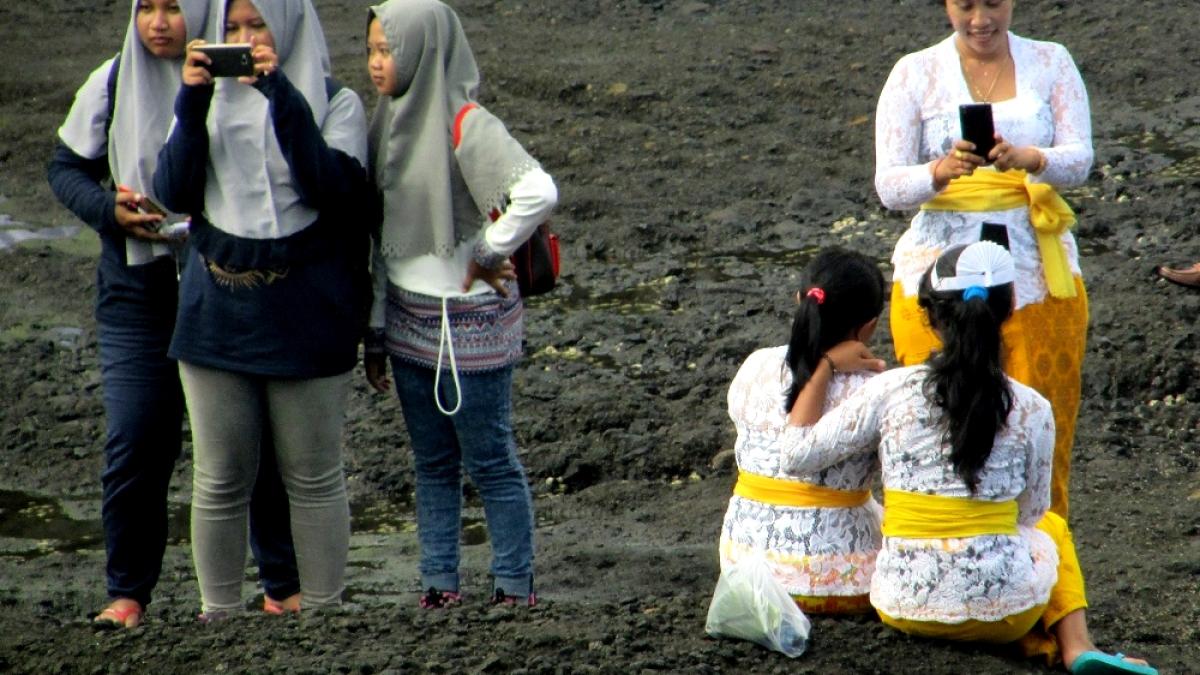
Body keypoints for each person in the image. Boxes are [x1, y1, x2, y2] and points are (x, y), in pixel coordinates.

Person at [782, 242, 1157, 675]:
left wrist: (825, 366)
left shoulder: (890, 389)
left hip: (901, 605)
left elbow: (797, 454)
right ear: (1010, 306)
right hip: (1006, 617)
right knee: (1052, 526)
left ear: (928, 315)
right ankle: (1076, 646)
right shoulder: (1032, 407)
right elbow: (1032, 512)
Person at [47, 0, 299, 628]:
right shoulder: (113, 78)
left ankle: (282, 585)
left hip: (225, 285)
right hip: (137, 289)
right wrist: (107, 210)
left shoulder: (237, 81)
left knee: (252, 438)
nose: (157, 23)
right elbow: (65, 167)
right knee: (137, 436)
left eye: (174, 9)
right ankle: (128, 593)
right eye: (147, 8)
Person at [152, 0, 370, 618]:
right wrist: (191, 103)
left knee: (313, 475)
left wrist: (280, 93)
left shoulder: (336, 101)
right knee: (220, 476)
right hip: (216, 305)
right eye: (232, 27)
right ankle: (218, 616)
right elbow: (173, 191)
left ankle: (324, 613)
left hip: (308, 308)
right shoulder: (200, 100)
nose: (245, 39)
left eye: (258, 25)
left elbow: (329, 188)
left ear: (288, 24)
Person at [362, 0, 557, 608]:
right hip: (408, 324)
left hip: (471, 327)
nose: (375, 63)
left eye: (387, 50)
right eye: (370, 50)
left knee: (491, 458)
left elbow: (539, 191)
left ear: (422, 51)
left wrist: (487, 249)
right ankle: (439, 584)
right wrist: (375, 332)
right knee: (432, 464)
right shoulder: (384, 123)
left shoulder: (468, 123)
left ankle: (513, 585)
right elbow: (380, 242)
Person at [874, 0, 1093, 519]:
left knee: (1039, 417)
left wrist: (1030, 158)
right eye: (965, 5)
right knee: (932, 418)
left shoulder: (1052, 60)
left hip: (1036, 270)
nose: (980, 19)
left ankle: (1042, 542)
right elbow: (889, 186)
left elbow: (1080, 158)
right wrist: (939, 170)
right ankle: (938, 535)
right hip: (938, 269)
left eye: (993, 3)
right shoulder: (914, 72)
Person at [719, 248, 887, 615]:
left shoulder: (755, 364)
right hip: (840, 582)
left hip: (742, 568)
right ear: (870, 326)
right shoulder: (875, 388)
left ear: (799, 301)